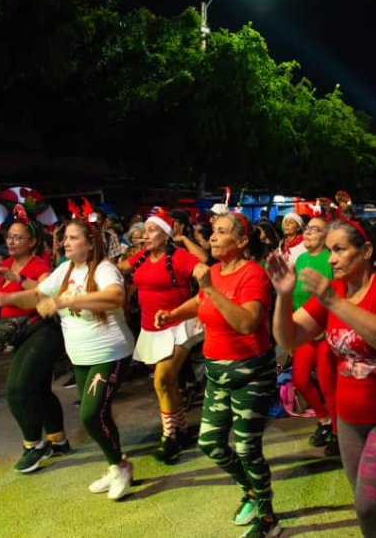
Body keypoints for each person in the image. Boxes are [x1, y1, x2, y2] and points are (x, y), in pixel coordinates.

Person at [268, 218, 376, 538]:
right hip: (351, 421)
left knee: (371, 507)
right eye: (329, 250)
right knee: (370, 512)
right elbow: (289, 338)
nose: (330, 259)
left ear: (366, 251)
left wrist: (334, 303)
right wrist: (284, 296)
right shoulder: (336, 290)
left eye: (339, 250)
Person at [155, 212, 279, 537]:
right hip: (216, 372)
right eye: (212, 232)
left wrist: (210, 289)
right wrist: (172, 314)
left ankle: (267, 518)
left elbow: (247, 323)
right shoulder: (214, 272)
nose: (211, 238)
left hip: (250, 372)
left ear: (240, 241)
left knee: (247, 448)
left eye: (221, 232)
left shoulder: (254, 276)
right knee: (210, 442)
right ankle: (251, 491)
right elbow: (199, 301)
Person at [31, 217, 135, 500]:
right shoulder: (65, 269)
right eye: (64, 238)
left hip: (109, 352)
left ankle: (121, 466)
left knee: (90, 414)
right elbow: (38, 294)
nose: (66, 242)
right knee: (97, 414)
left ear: (90, 244)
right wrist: (5, 297)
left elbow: (115, 297)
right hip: (80, 356)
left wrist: (66, 301)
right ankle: (115, 466)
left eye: (73, 237)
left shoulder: (104, 269)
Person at [0, 216, 71, 474]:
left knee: (17, 389)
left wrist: (14, 282)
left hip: (41, 330)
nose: (11, 241)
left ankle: (33, 445)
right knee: (40, 390)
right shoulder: (6, 264)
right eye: (9, 237)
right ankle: (58, 440)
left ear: (32, 242)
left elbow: (46, 291)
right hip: (20, 334)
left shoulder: (40, 264)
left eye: (17, 237)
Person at [118, 209, 203, 464]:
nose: (145, 235)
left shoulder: (180, 257)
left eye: (152, 230)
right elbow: (120, 270)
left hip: (179, 325)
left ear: (166, 235)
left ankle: (170, 438)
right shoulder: (141, 256)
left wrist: (204, 302)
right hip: (151, 328)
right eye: (145, 230)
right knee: (168, 384)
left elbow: (205, 270)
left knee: (162, 380)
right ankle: (183, 429)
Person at [289, 216, 337, 456]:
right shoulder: (300, 260)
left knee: (328, 384)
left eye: (315, 230)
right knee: (300, 380)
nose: (308, 233)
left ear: (326, 236)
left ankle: (339, 432)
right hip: (304, 333)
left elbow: (338, 297)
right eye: (307, 229)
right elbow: (293, 296)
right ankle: (324, 420)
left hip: (327, 332)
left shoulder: (332, 260)